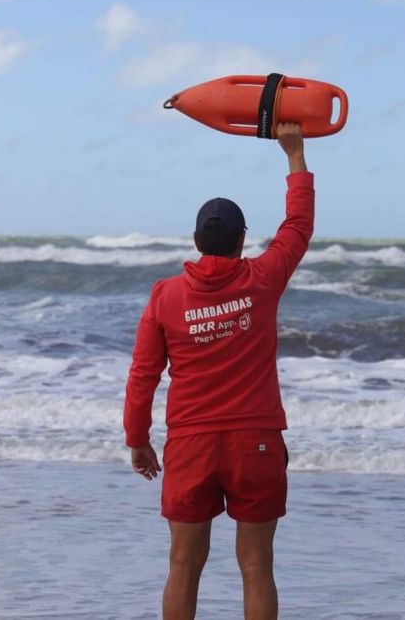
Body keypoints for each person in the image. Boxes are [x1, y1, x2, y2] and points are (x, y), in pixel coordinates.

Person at [124, 122, 312, 620]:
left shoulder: (165, 296)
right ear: (242, 240)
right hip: (257, 443)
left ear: (195, 240)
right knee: (257, 565)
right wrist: (294, 155)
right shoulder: (263, 278)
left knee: (183, 565)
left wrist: (137, 438)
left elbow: (143, 374)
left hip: (190, 445)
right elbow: (297, 227)